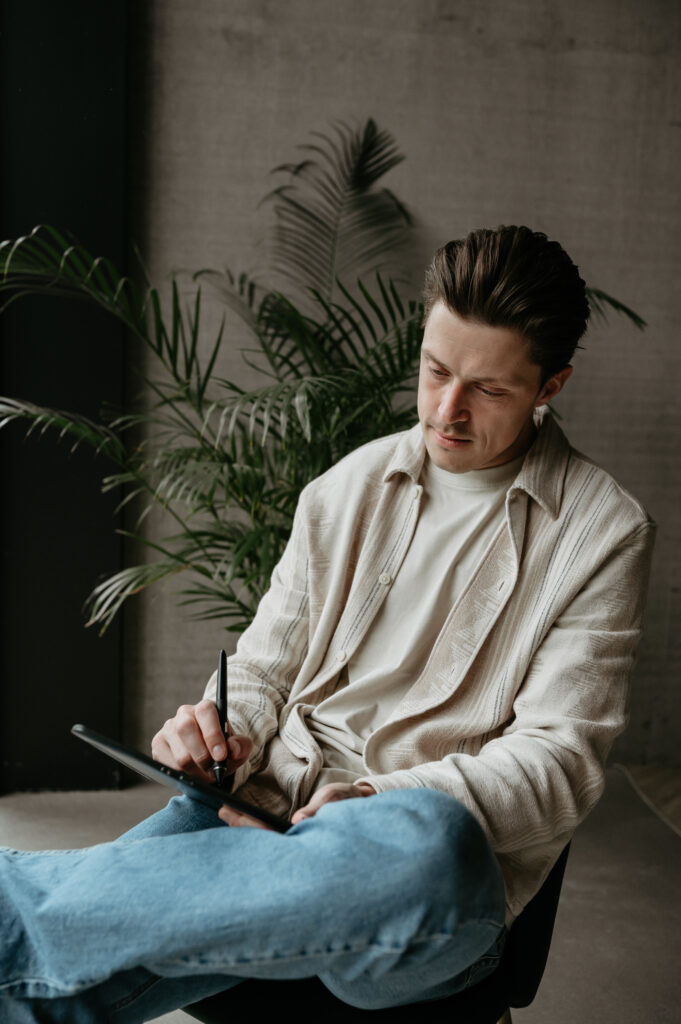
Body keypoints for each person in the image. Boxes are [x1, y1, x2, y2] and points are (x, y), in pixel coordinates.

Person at [1, 226, 655, 1023]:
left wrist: (375, 798)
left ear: (550, 385)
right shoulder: (346, 488)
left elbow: (558, 765)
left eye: (487, 389)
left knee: (431, 840)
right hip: (259, 808)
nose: (446, 410)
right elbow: (264, 668)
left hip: (411, 864)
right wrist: (221, 729)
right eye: (434, 370)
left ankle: (16, 888)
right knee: (49, 983)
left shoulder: (602, 532)